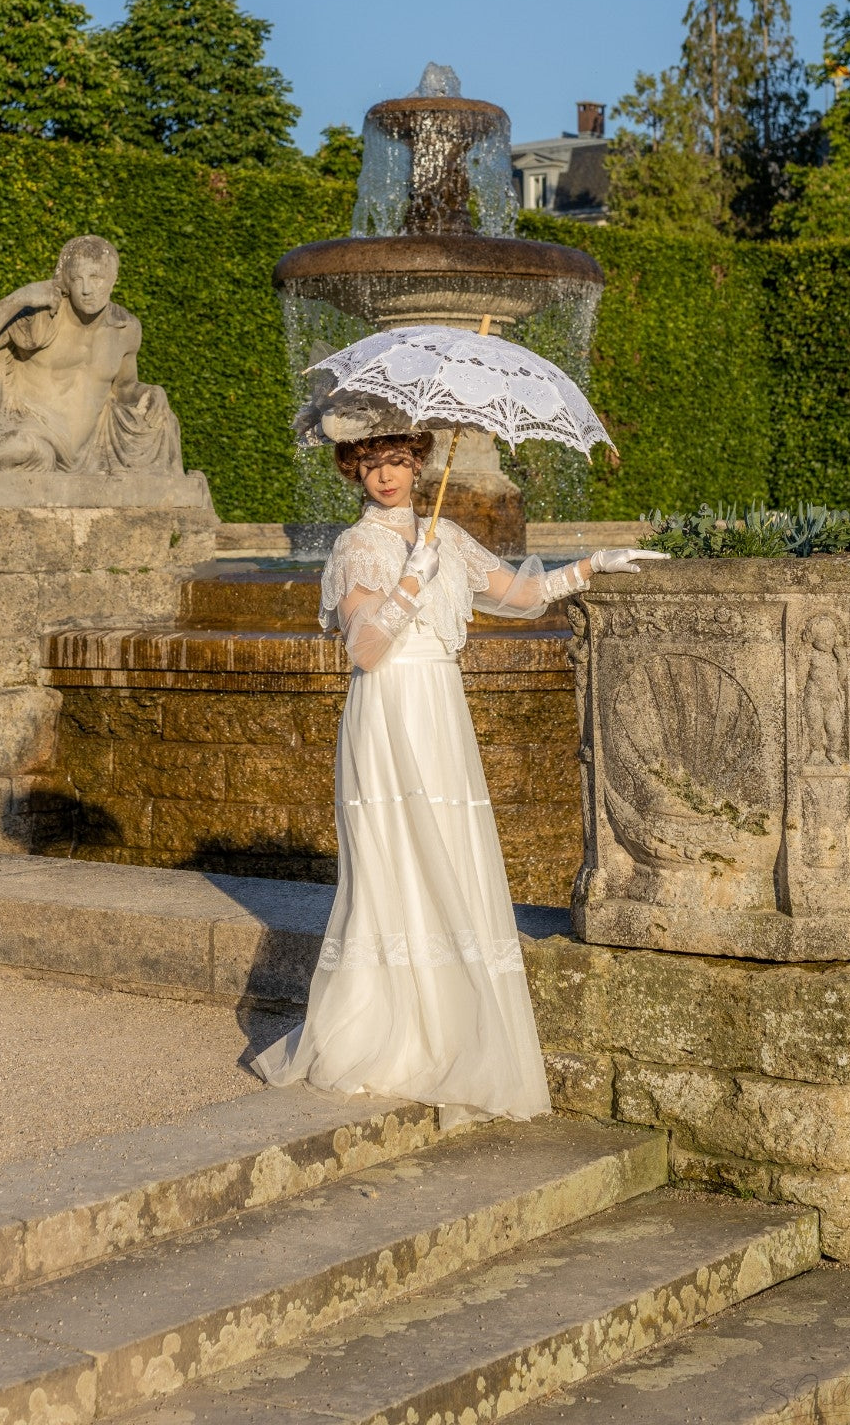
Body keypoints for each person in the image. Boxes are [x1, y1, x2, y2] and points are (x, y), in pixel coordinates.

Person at [253, 432, 668, 1127]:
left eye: (395, 462)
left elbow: (526, 595)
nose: (384, 476)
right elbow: (364, 648)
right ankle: (391, 1029)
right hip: (389, 707)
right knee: (400, 857)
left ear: (417, 466)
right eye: (371, 465)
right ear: (356, 472)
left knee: (450, 846)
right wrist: (411, 581)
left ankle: (456, 1027)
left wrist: (595, 564)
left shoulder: (445, 531)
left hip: (440, 705)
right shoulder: (358, 546)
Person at [0, 235, 182, 474]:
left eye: (96, 278)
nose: (87, 289)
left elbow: (123, 387)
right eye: (78, 279)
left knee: (162, 421)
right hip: (27, 434)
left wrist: (149, 392)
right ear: (66, 281)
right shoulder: (44, 316)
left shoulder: (126, 329)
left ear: (113, 280)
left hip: (82, 453)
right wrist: (17, 299)